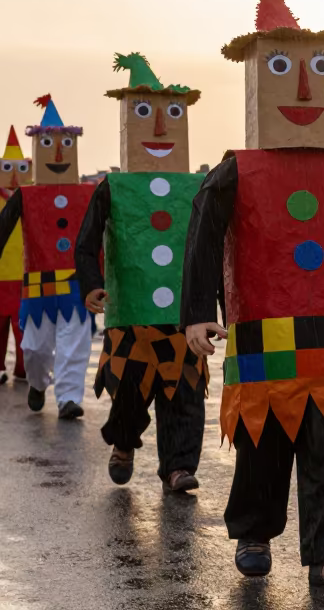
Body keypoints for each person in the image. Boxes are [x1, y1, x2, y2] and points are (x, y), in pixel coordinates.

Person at [181, 0, 324, 590]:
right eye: (282, 68)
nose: (305, 89)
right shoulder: (237, 169)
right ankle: (255, 532)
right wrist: (197, 312)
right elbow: (202, 239)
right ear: (258, 78)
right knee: (263, 442)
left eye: (319, 68)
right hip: (262, 340)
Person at [76, 54, 207, 491]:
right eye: (144, 113)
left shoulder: (198, 187)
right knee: (130, 394)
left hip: (183, 317)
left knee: (184, 396)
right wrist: (93, 285)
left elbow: (213, 246)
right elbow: (87, 242)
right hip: (129, 315)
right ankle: (124, 444)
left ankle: (178, 467)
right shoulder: (112, 188)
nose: (159, 128)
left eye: (172, 113)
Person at [0, 96, 95, 419]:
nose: (57, 153)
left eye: (66, 143)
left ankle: (69, 397)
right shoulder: (25, 195)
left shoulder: (88, 192)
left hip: (75, 286)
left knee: (74, 346)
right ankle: (38, 383)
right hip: (38, 288)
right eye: (49, 143)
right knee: (34, 349)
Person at [0, 127, 32, 385]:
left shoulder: (31, 201)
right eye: (7, 168)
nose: (13, 175)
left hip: (25, 277)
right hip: (1, 276)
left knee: (25, 327)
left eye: (20, 169)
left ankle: (24, 368)